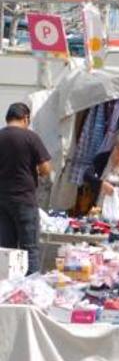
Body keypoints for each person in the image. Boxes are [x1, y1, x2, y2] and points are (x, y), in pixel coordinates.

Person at [0, 102, 51, 275]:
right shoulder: (30, 137)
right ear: (25, 117)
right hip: (24, 200)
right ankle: (32, 292)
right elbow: (46, 169)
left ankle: (6, 291)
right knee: (30, 249)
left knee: (7, 249)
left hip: (2, 201)